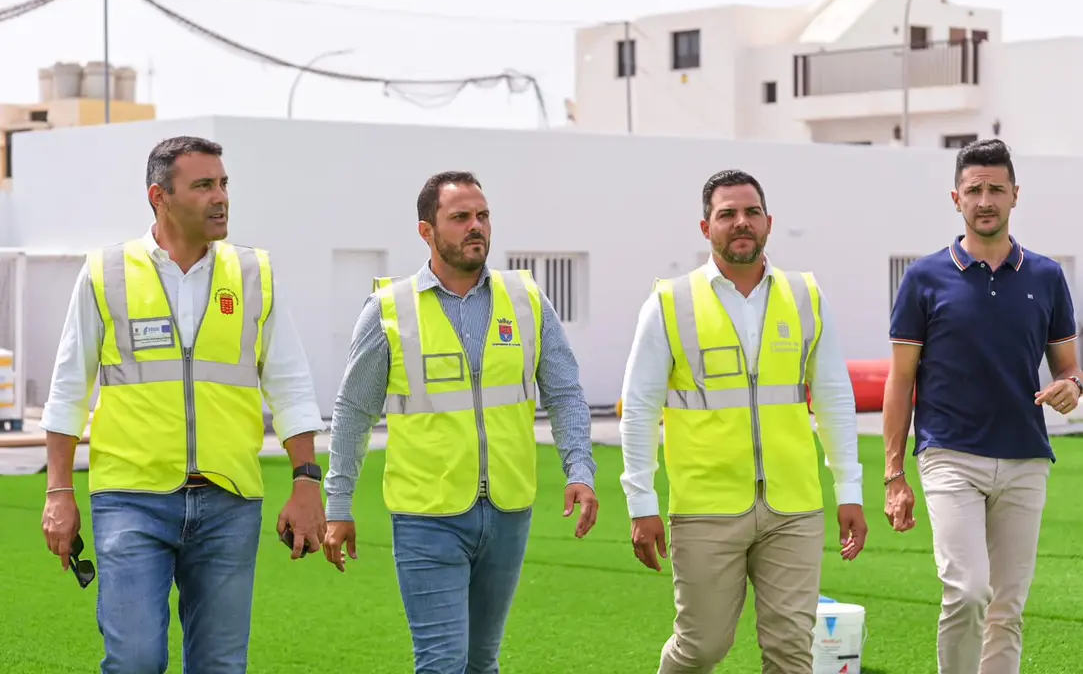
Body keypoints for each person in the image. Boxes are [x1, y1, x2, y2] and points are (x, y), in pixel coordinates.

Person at [39, 136, 328, 674]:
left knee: (220, 665)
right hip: (131, 500)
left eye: (223, 184)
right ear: (160, 196)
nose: (220, 197)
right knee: (135, 660)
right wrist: (59, 491)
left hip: (230, 501)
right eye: (203, 186)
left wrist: (307, 480)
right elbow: (67, 390)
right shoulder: (106, 273)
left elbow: (290, 384)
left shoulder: (253, 275)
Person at [322, 170, 599, 673]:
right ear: (427, 231)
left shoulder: (528, 299)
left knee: (481, 663)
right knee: (441, 663)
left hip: (509, 510)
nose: (477, 227)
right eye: (460, 218)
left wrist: (580, 471)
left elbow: (564, 393)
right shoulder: (389, 309)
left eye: (483, 216)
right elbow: (353, 412)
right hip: (428, 516)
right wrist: (338, 504)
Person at [619, 169, 868, 674]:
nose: (741, 223)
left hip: (794, 505)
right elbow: (640, 406)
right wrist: (640, 500)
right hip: (706, 507)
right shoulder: (670, 302)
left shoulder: (806, 296)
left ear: (769, 223)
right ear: (705, 226)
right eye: (727, 214)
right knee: (701, 647)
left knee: (791, 654)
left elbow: (835, 397)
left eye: (751, 212)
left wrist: (850, 490)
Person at [883, 138, 1081, 674]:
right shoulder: (924, 278)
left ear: (1016, 195)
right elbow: (900, 382)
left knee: (1007, 607)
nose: (985, 199)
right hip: (950, 455)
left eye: (996, 189)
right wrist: (893, 475)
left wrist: (1073, 385)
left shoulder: (1047, 277)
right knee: (967, 592)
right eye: (975, 190)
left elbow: (1069, 365)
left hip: (1025, 457)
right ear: (956, 198)